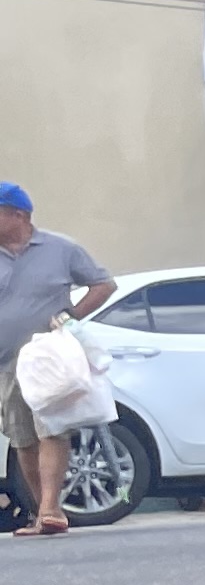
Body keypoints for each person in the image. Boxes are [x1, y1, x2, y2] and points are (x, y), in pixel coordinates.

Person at [0, 184, 115, 537]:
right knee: (22, 438)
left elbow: (103, 284)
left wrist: (70, 316)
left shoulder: (60, 249)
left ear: (18, 215)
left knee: (53, 428)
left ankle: (51, 509)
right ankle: (44, 513)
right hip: (5, 362)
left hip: (49, 359)